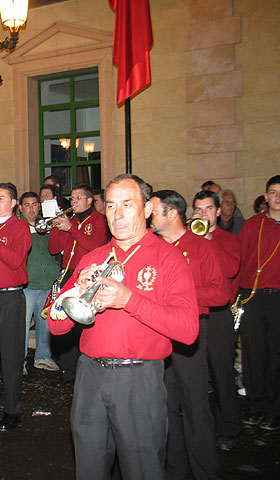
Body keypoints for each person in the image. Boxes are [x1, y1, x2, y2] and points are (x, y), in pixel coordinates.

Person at [47, 174, 199, 479]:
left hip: (139, 379)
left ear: (148, 209)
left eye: (127, 205)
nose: (117, 214)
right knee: (89, 467)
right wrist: (75, 292)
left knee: (142, 468)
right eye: (112, 205)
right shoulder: (94, 257)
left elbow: (188, 330)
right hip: (90, 375)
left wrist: (129, 299)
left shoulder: (168, 257)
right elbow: (56, 327)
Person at [150, 189, 229, 480]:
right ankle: (173, 471)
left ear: (172, 213)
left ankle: (205, 471)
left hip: (190, 335)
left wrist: (180, 295)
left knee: (195, 406)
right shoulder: (151, 247)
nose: (148, 216)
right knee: (165, 408)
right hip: (158, 333)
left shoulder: (200, 247)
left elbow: (221, 293)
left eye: (154, 211)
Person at [192, 190, 242, 451]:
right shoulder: (189, 240)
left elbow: (230, 270)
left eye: (209, 209)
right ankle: (200, 429)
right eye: (198, 210)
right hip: (194, 311)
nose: (203, 214)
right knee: (195, 377)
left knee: (222, 372)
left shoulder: (229, 240)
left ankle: (229, 428)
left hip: (219, 313)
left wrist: (209, 239)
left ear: (218, 212)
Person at [0, 182, 32, 432]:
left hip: (10, 299)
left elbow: (14, 261)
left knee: (11, 357)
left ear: (13, 203)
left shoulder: (19, 227)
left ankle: (12, 410)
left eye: (1, 198)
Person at [48, 183, 109, 388]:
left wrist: (72, 229)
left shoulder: (99, 220)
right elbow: (53, 248)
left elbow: (96, 247)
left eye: (77, 198)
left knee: (86, 325)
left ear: (89, 200)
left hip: (89, 278)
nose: (73, 202)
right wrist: (58, 227)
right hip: (68, 275)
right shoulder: (70, 220)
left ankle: (89, 370)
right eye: (71, 198)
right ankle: (68, 373)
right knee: (66, 325)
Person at [237, 175, 280, 431]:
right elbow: (241, 261)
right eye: (273, 192)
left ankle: (275, 410)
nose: (278, 197)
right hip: (253, 296)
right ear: (266, 197)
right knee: (253, 355)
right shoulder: (253, 225)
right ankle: (256, 406)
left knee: (277, 357)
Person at [18, 192, 60, 373]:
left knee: (45, 323)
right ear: (20, 208)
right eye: (27, 205)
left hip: (47, 282)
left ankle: (43, 357)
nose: (31, 209)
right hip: (28, 284)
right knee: (24, 324)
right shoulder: (18, 227)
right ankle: (20, 361)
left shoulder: (47, 226)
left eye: (35, 204)